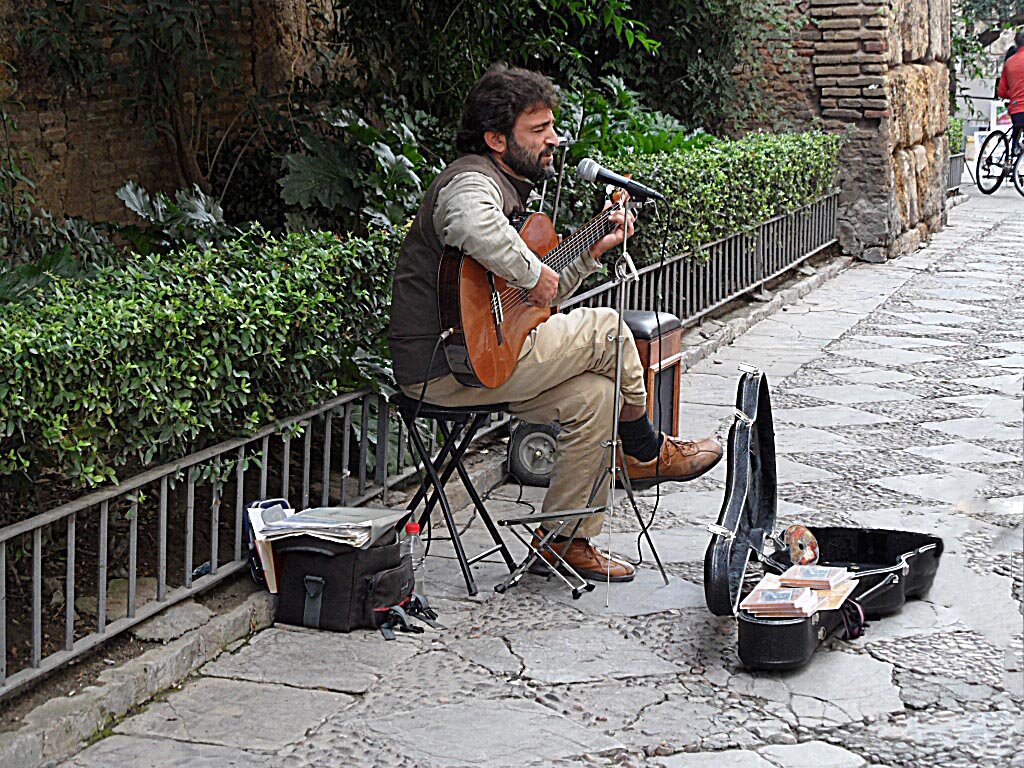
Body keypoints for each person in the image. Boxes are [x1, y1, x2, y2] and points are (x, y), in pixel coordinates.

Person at [387, 64, 722, 583]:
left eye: (552, 127)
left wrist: (590, 252)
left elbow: (531, 302)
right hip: (445, 368)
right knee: (609, 330)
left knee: (597, 398)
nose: (554, 140)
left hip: (484, 361)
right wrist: (532, 268)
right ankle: (647, 452)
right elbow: (468, 223)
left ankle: (565, 539)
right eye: (539, 130)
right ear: (496, 138)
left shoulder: (512, 188)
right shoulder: (471, 179)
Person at [997, 30, 1024, 157]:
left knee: (1018, 127)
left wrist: (1014, 94)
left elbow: (1001, 92)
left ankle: (1014, 148)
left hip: (1016, 109)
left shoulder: (1009, 62)